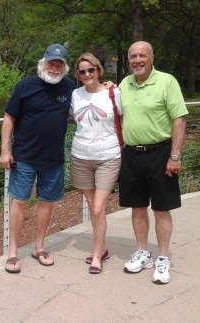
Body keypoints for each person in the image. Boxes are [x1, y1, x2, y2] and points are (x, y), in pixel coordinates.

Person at [0, 43, 76, 273]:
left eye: (59, 64)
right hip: (24, 156)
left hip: (53, 157)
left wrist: (108, 85)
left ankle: (39, 247)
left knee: (46, 202)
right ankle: (12, 252)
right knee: (19, 201)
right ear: (43, 63)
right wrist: (5, 149)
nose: (54, 68)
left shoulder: (70, 87)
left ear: (64, 67)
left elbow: (92, 95)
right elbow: (8, 118)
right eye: (51, 63)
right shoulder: (25, 85)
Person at [118, 41, 188, 284]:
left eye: (142, 56)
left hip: (160, 153)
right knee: (137, 207)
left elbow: (179, 119)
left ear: (151, 58)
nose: (137, 60)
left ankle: (163, 257)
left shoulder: (167, 81)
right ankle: (142, 252)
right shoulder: (124, 84)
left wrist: (175, 156)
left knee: (161, 208)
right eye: (133, 56)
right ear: (129, 61)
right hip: (132, 155)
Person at [70, 53, 122, 274]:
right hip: (80, 156)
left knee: (99, 207)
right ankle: (103, 248)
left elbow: (125, 116)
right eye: (82, 71)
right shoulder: (75, 94)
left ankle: (97, 255)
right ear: (78, 75)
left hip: (108, 156)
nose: (87, 74)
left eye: (91, 70)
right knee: (94, 208)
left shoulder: (114, 92)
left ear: (99, 70)